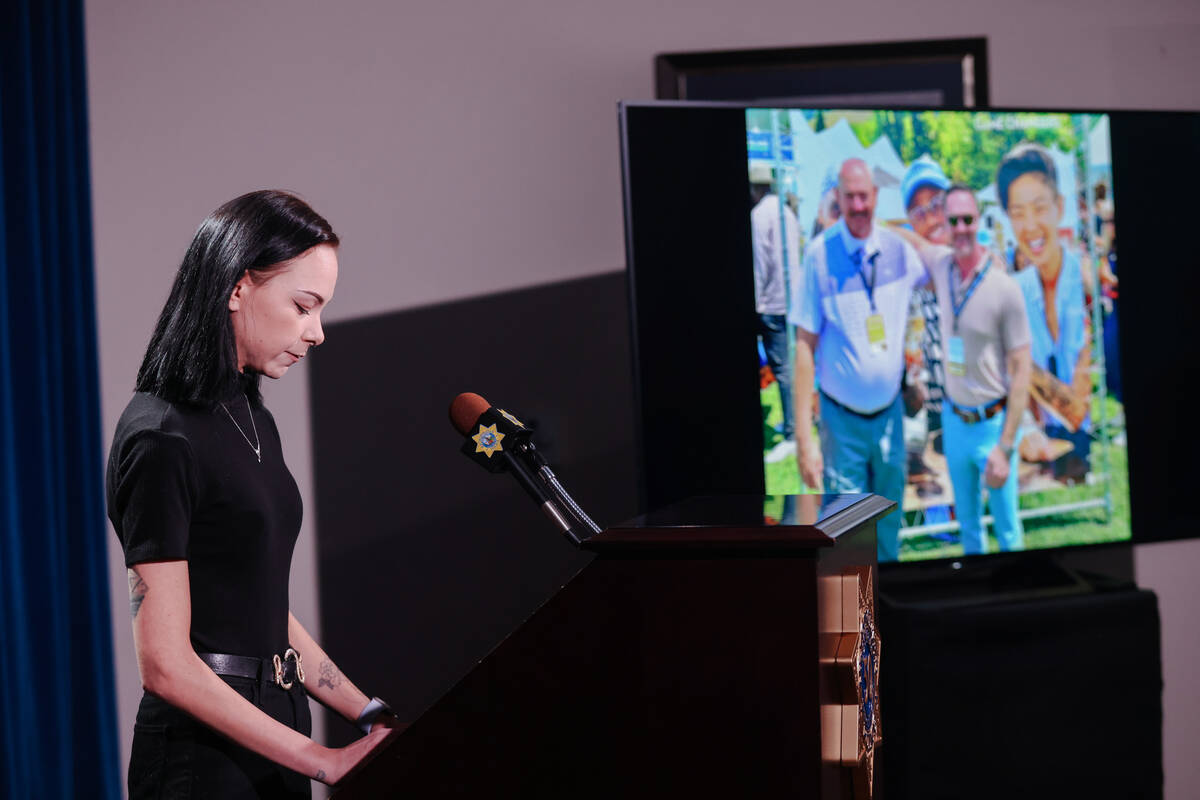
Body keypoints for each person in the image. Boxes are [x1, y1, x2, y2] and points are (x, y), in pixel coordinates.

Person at [106, 191, 397, 798]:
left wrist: (363, 711)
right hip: (203, 759)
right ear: (237, 288)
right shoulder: (162, 437)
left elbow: (254, 598)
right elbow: (164, 665)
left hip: (278, 726)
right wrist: (323, 761)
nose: (316, 333)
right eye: (303, 306)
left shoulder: (249, 416)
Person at [790, 158, 928, 562]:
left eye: (864, 196)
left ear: (876, 197)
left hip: (889, 419)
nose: (858, 205)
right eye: (849, 197)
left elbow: (938, 270)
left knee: (887, 528)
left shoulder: (898, 250)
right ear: (838, 198)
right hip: (842, 422)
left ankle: (888, 617)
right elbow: (802, 348)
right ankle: (853, 624)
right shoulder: (818, 256)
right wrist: (803, 440)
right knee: (848, 536)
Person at [904, 186, 1033, 554]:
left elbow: (1021, 370)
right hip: (955, 422)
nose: (960, 228)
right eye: (953, 220)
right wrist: (866, 222)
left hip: (993, 425)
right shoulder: (942, 265)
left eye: (968, 220)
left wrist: (1006, 446)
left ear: (978, 222)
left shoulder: (1003, 287)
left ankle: (1018, 605)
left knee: (1008, 533)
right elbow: (911, 238)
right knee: (969, 531)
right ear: (945, 223)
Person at [997, 143, 1092, 480]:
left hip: (1085, 431)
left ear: (1059, 207)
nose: (1030, 225)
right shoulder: (1014, 290)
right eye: (1018, 213)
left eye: (1039, 207)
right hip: (1040, 438)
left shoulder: (1086, 277)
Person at [750, 168, 801, 463]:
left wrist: (754, 304)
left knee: (782, 371)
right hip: (790, 303)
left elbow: (759, 265)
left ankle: (793, 434)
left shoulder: (758, 217)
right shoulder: (786, 212)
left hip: (771, 304)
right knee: (788, 367)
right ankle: (795, 425)